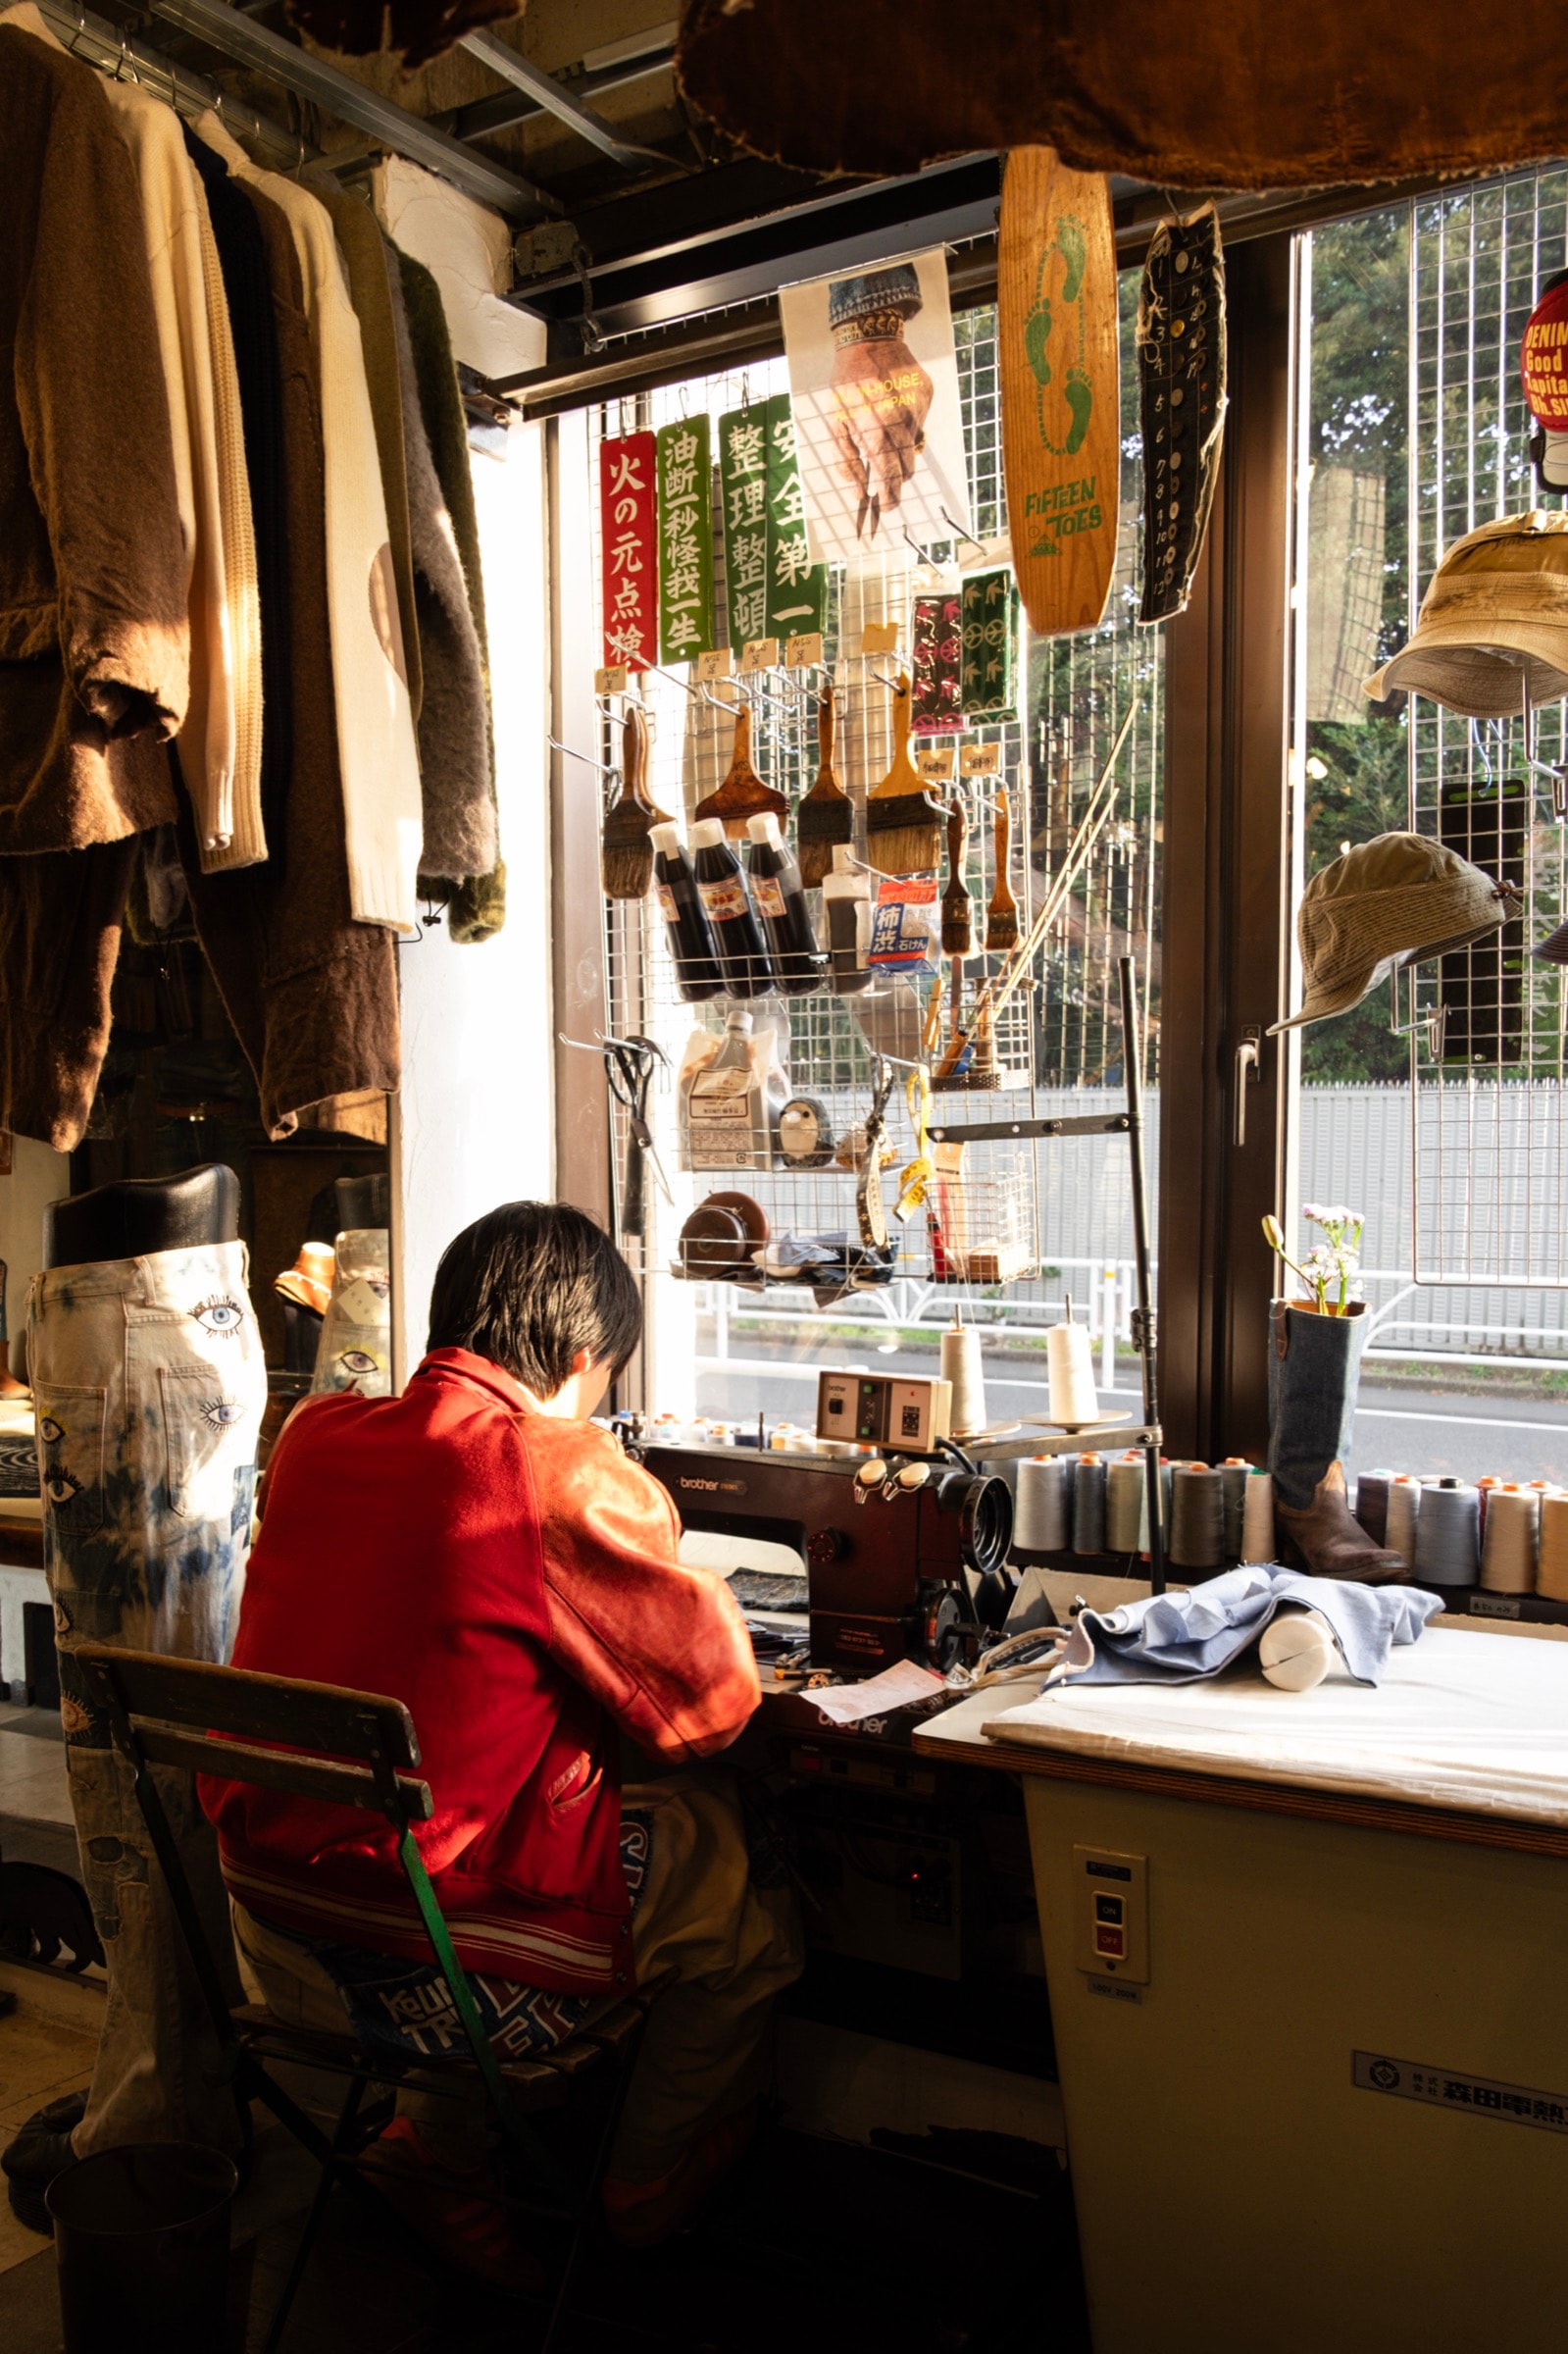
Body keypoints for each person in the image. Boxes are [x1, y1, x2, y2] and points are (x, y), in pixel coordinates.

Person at [201, 1201, 800, 2282]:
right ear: (581, 1361)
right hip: (441, 1976)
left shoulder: (313, 1437)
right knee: (732, 1870)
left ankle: (436, 2146)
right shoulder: (551, 1464)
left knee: (444, 1829)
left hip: (267, 1931)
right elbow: (714, 1706)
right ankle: (643, 2182)